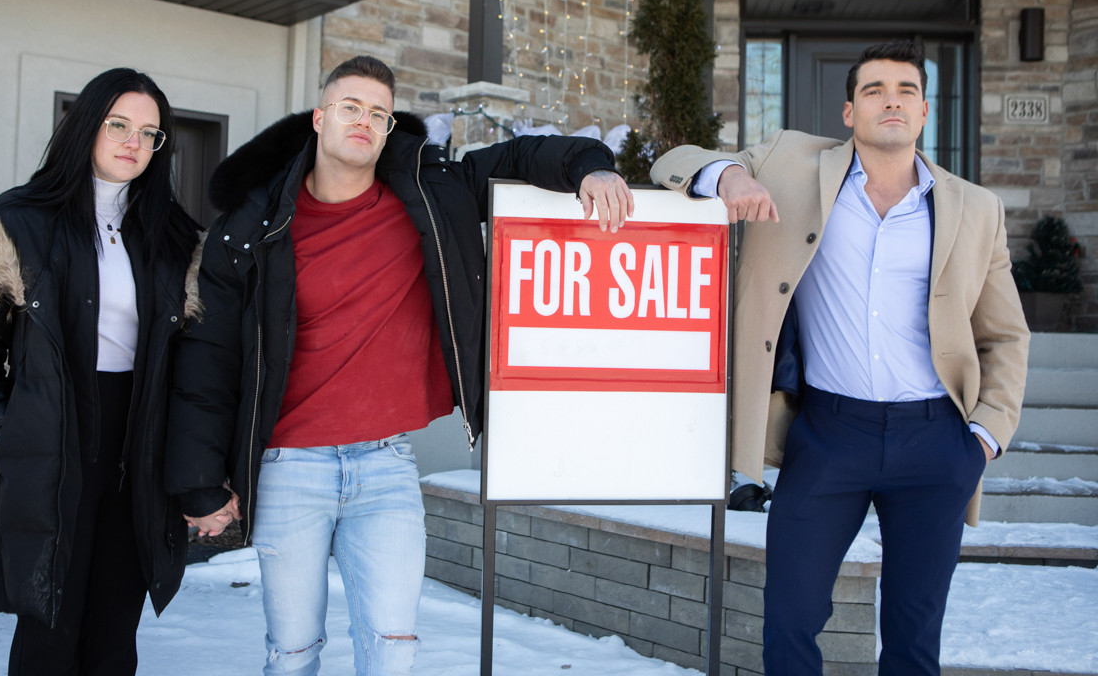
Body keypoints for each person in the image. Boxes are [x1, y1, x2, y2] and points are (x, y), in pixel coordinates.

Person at [165, 55, 633, 675]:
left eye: (378, 113)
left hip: (386, 467)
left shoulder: (430, 196)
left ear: (390, 129)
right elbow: (209, 357)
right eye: (350, 107)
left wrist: (591, 167)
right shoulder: (255, 226)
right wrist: (201, 480)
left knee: (392, 651)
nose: (364, 121)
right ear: (319, 118)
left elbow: (523, 154)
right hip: (289, 467)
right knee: (293, 652)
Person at [651, 40, 1028, 675]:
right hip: (828, 436)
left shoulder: (976, 209)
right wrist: (730, 176)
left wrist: (985, 437)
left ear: (925, 111)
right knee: (789, 622)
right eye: (875, 90)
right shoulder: (791, 164)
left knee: (913, 640)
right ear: (849, 111)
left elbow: (1006, 335)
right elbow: (673, 161)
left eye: (906, 91)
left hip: (937, 442)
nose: (892, 102)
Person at [0, 68, 203, 675]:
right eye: (118, 125)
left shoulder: (175, 238)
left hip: (138, 453)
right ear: (86, 126)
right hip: (50, 446)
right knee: (49, 637)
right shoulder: (19, 222)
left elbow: (194, 364)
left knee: (114, 636)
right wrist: (6, 441)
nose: (133, 142)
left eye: (149, 133)